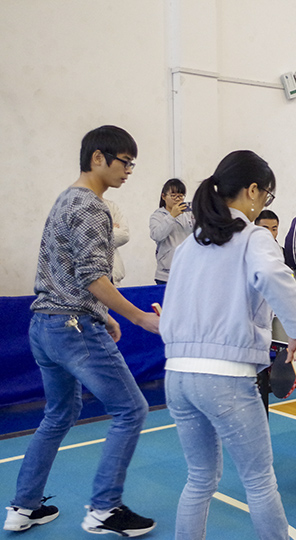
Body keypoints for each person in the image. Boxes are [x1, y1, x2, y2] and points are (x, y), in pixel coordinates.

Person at [4, 126, 160, 536]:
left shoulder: (65, 199)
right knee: (131, 409)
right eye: (125, 162)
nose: (129, 171)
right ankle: (104, 509)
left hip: (44, 326)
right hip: (72, 328)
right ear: (97, 158)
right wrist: (139, 317)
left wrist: (104, 315)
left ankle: (23, 506)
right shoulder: (91, 206)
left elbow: (65, 271)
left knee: (59, 413)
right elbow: (92, 276)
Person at [159, 150, 296, 539]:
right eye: (267, 195)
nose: (264, 204)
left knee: (199, 478)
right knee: (259, 481)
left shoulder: (190, 245)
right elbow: (273, 278)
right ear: (252, 190)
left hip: (176, 378)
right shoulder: (253, 237)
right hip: (224, 379)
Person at [149, 178, 194, 285]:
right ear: (163, 196)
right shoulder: (157, 216)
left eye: (181, 196)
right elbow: (157, 235)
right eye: (173, 195)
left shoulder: (189, 215)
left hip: (188, 270)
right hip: (166, 274)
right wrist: (172, 216)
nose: (177, 199)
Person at [103, 198, 130, 286]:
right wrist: (112, 228)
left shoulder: (112, 206)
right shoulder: (79, 207)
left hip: (115, 279)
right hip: (94, 281)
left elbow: (124, 235)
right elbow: (90, 238)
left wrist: (105, 230)